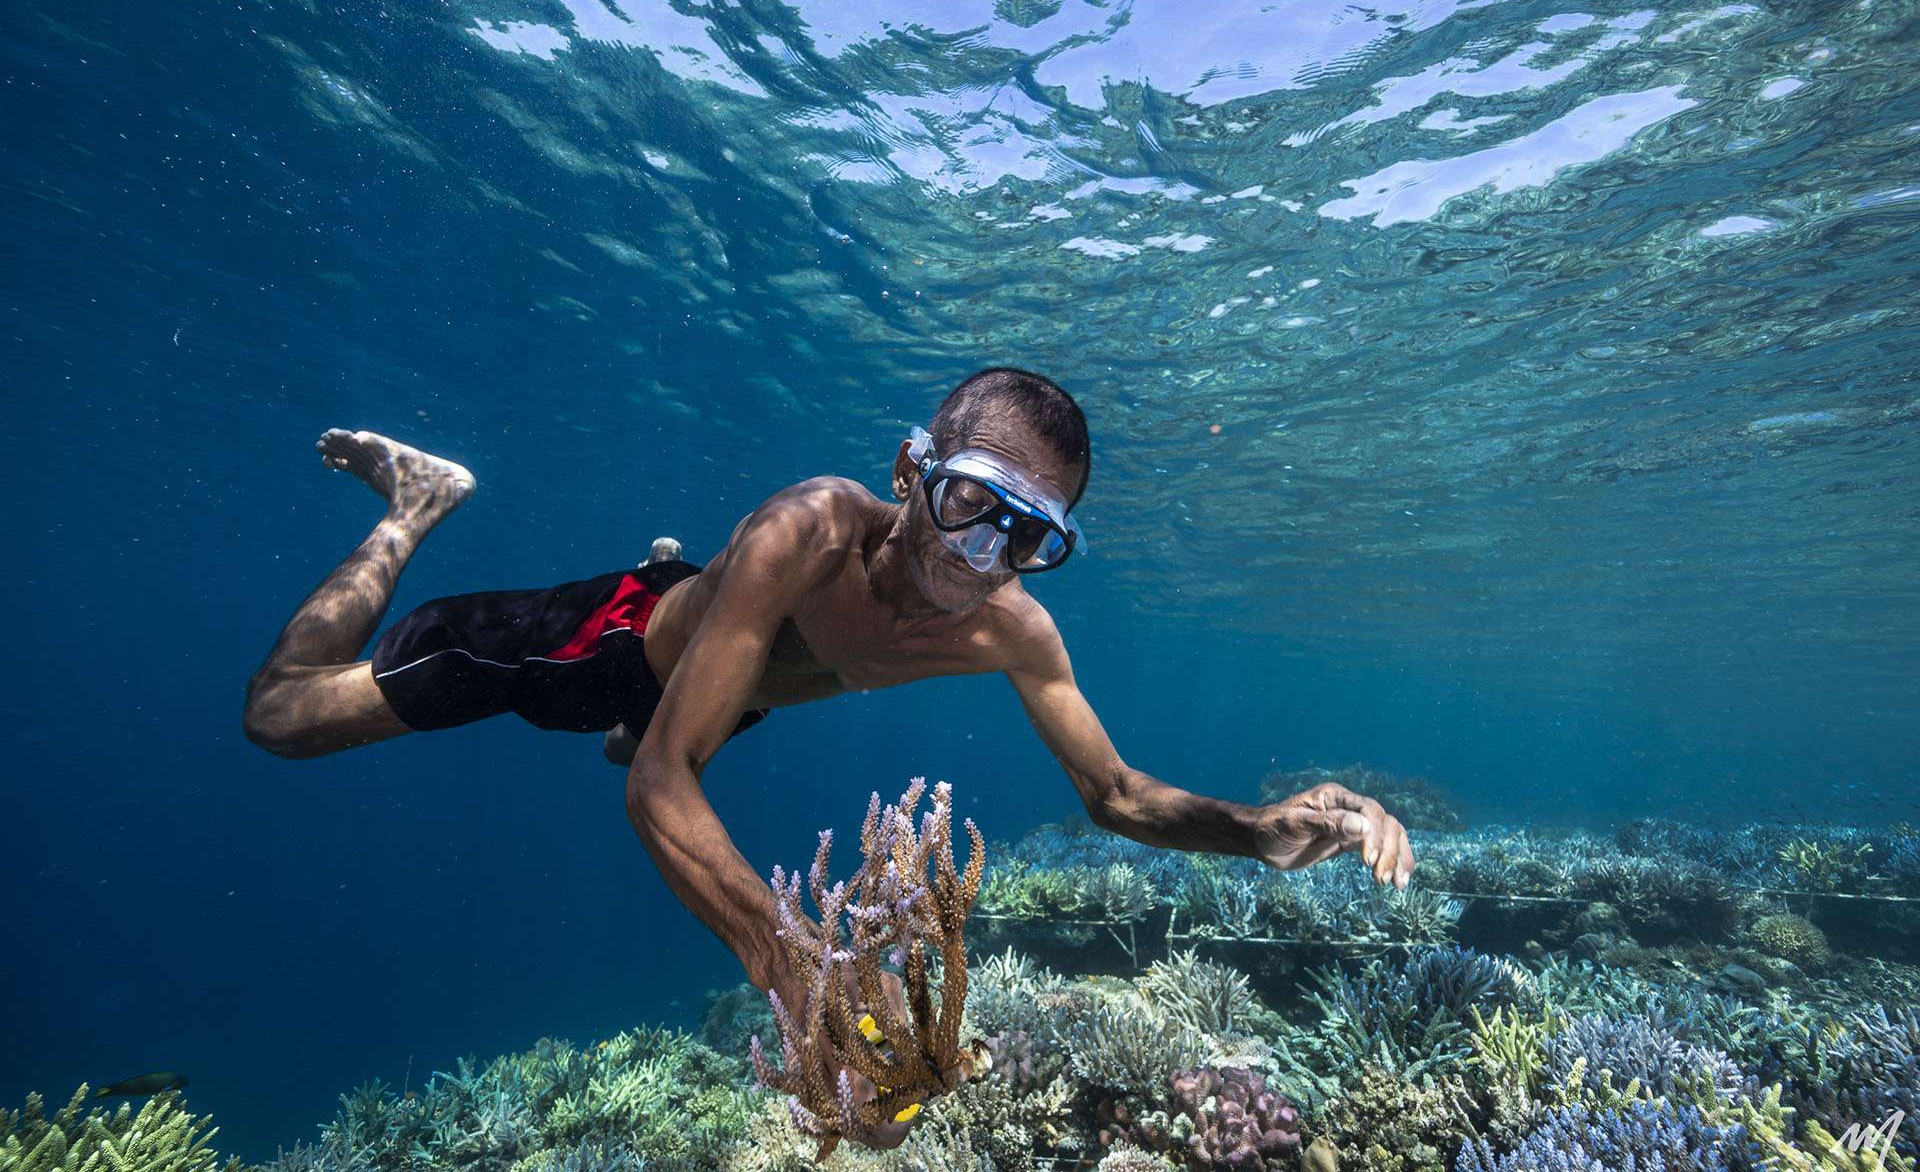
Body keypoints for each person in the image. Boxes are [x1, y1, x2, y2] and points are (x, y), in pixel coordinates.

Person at [242, 366, 1415, 1141]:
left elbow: (1115, 795)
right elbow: (665, 780)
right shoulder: (812, 524)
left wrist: (1258, 833)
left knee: (672, 716)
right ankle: (415, 504)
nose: (983, 555)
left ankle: (697, 588)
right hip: (595, 647)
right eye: (970, 503)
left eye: (1030, 536)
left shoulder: (1011, 629)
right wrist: (796, 963)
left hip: (733, 676)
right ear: (912, 472)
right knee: (284, 719)